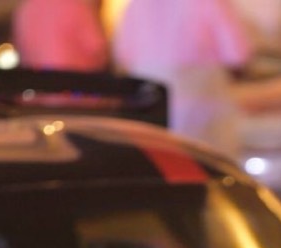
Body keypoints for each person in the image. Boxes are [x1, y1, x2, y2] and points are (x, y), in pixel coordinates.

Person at [112, 0, 251, 159]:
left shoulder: (136, 4)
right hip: (199, 95)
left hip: (149, 96)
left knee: (161, 158)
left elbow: (122, 53)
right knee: (207, 160)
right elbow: (237, 53)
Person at [13, 0, 108, 72]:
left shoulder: (25, 9)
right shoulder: (75, 6)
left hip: (38, 87)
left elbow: (22, 53)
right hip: (76, 86)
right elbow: (97, 50)